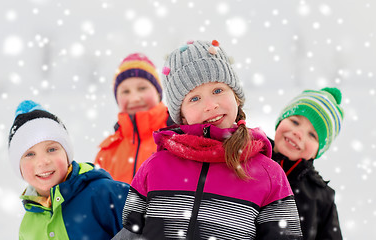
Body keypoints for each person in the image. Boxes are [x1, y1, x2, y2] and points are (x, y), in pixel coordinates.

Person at [113, 40, 302, 239]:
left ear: (236, 97)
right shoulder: (155, 167)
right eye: (194, 98)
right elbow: (130, 232)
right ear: (181, 115)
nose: (210, 105)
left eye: (218, 91)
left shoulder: (269, 175)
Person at [8, 100, 129, 240]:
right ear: (18, 166)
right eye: (30, 154)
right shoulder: (28, 227)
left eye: (51, 149)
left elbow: (150, 230)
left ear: (67, 154)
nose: (43, 161)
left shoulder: (105, 194)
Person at [269, 87, 344, 240]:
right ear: (281, 120)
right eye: (295, 121)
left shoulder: (321, 197)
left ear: (318, 151)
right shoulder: (247, 157)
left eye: (312, 134)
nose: (298, 133)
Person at [94, 53, 173, 184]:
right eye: (125, 91)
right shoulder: (106, 153)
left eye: (142, 88)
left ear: (158, 93)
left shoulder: (179, 137)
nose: (135, 98)